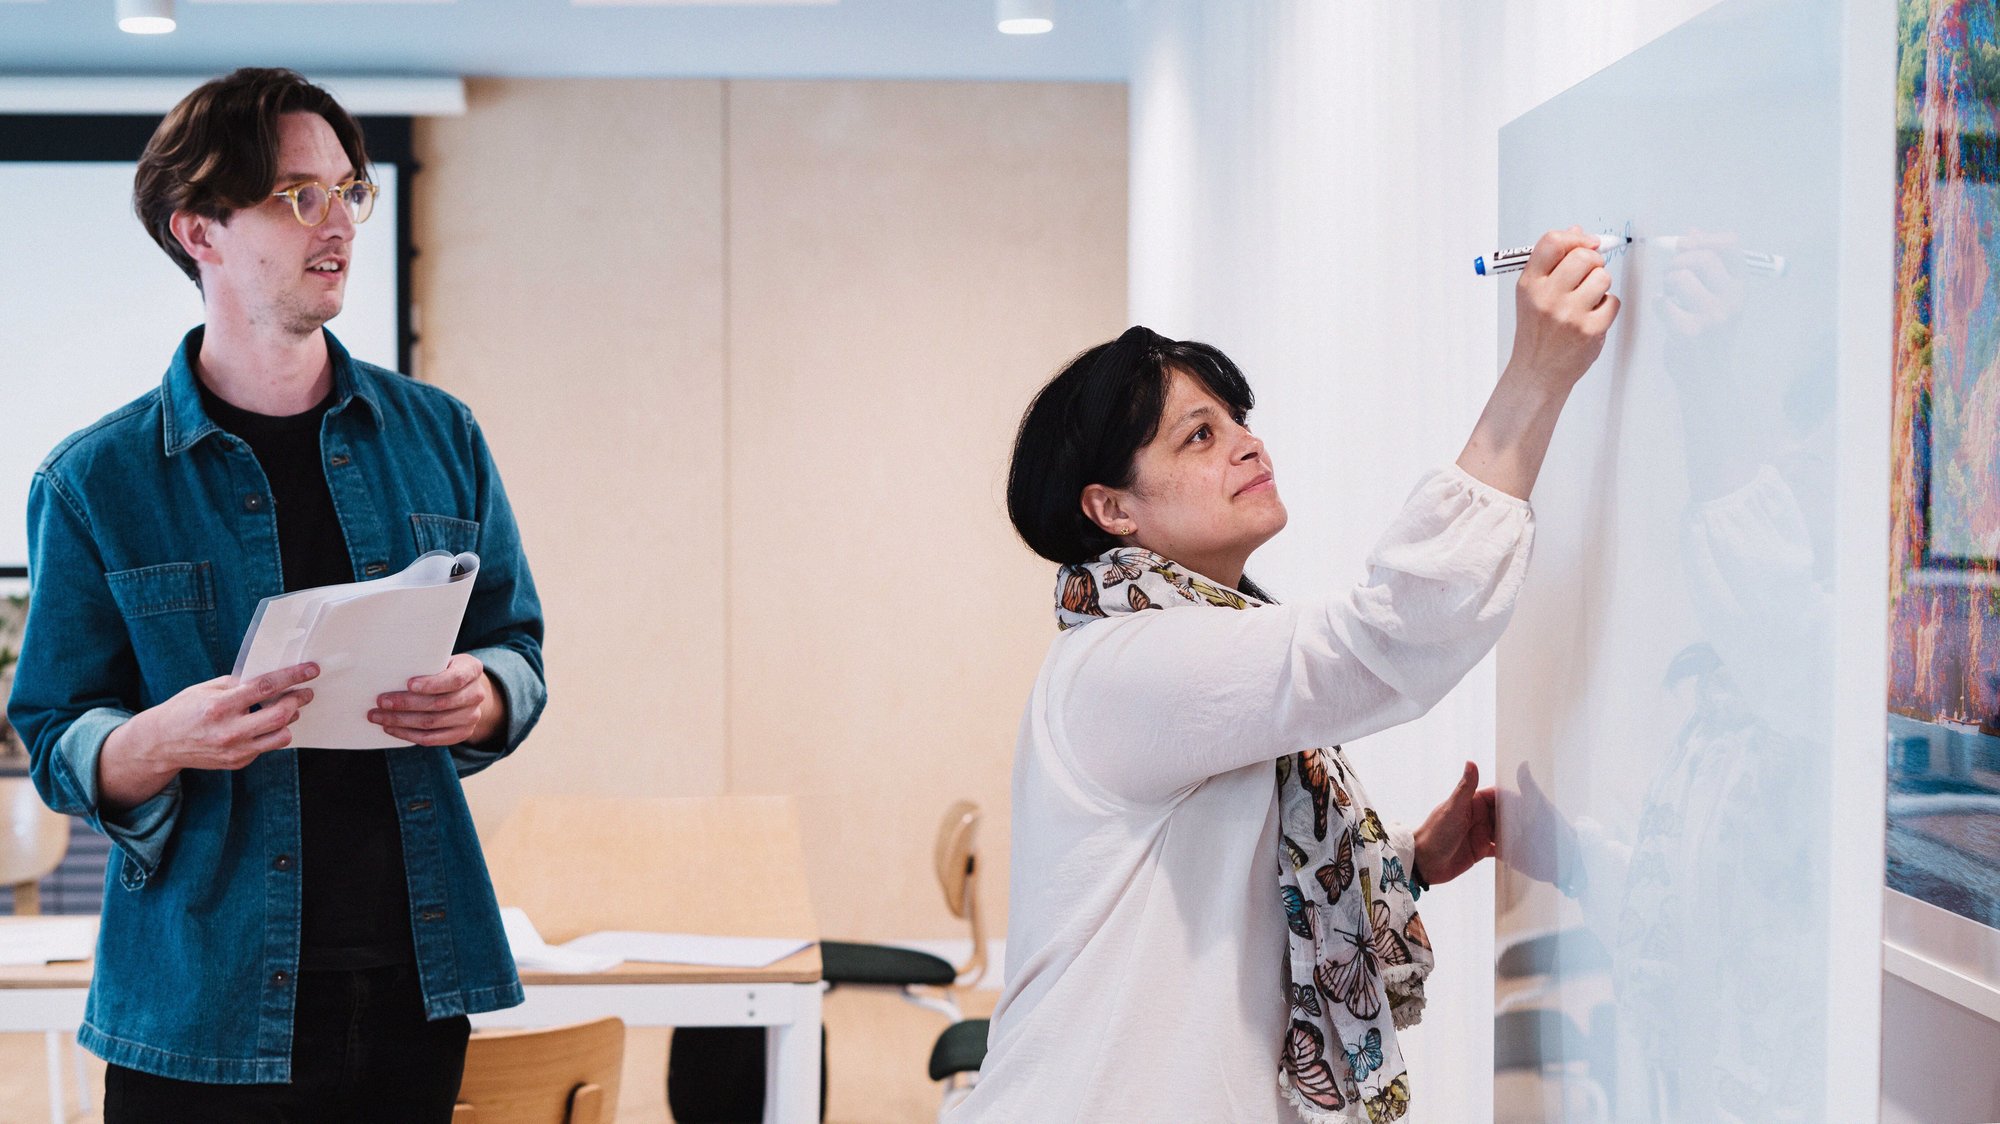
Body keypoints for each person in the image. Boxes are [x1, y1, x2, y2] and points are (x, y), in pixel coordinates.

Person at [954, 229, 1619, 1123]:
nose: (1247, 443)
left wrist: (1412, 860)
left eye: (1237, 419)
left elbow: (1228, 885)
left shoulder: (1183, 641)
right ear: (1112, 509)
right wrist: (1534, 378)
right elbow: (1394, 635)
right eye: (1200, 435)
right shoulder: (1127, 665)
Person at [5, 68, 545, 1122]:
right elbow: (57, 735)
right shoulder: (94, 480)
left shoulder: (441, 436)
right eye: (299, 194)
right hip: (196, 1010)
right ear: (198, 229)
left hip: (413, 988)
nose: (336, 222)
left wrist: (482, 694)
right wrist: (160, 739)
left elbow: (514, 647)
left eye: (349, 191)